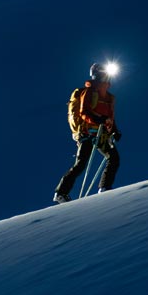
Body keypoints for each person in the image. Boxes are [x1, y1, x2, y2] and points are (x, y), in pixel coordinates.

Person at [54, 62, 122, 202]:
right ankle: (60, 192)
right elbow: (84, 112)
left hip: (101, 133)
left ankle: (104, 188)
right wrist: (99, 120)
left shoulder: (109, 98)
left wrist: (114, 130)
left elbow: (110, 118)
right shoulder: (89, 92)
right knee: (81, 164)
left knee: (113, 158)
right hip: (87, 133)